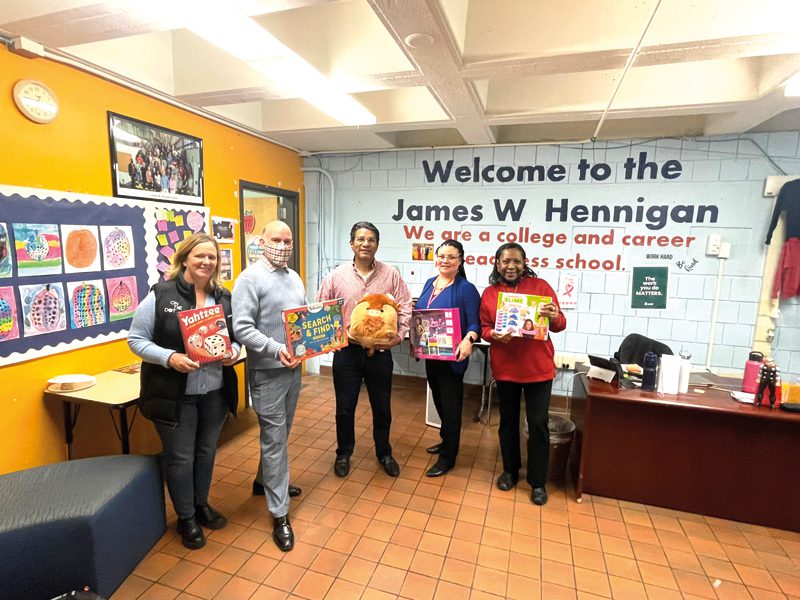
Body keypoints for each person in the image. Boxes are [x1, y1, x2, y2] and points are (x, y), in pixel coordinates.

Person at [128, 233, 240, 549]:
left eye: (212, 257)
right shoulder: (161, 295)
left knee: (206, 452)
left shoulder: (224, 298)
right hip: (174, 395)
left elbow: (234, 339)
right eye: (200, 256)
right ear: (185, 258)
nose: (206, 262)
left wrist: (233, 351)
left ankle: (201, 504)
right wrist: (170, 357)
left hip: (215, 392)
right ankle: (186, 517)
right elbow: (136, 340)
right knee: (179, 457)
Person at [232, 220, 305, 552]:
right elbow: (242, 329)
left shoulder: (294, 277)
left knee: (283, 432)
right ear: (262, 242)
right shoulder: (249, 279)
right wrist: (277, 349)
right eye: (276, 239)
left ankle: (265, 482)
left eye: (288, 240)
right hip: (267, 372)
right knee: (274, 440)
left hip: (294, 370)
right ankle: (280, 513)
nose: (283, 245)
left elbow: (300, 319)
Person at [317, 221, 411, 478]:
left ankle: (384, 452)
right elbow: (322, 308)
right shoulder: (336, 276)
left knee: (382, 407)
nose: (365, 244)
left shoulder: (391, 275)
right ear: (352, 244)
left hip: (380, 354)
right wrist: (332, 340)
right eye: (360, 239)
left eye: (370, 239)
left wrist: (399, 336)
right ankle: (343, 453)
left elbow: (404, 306)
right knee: (345, 407)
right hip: (348, 352)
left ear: (377, 245)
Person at [479, 242, 566, 506]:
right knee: (507, 422)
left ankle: (537, 482)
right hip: (506, 369)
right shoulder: (490, 293)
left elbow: (560, 324)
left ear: (524, 262)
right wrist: (493, 334)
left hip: (538, 369)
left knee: (538, 424)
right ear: (497, 263)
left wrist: (553, 316)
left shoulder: (541, 288)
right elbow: (484, 328)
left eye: (516, 261)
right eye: (506, 261)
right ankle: (510, 470)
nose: (511, 266)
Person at [415, 240, 480, 477]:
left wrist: (468, 339)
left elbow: (475, 323)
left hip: (452, 358)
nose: (445, 260)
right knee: (440, 403)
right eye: (441, 255)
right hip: (431, 356)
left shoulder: (465, 288)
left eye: (451, 257)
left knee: (452, 408)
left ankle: (448, 457)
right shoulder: (429, 283)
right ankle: (445, 440)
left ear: (460, 260)